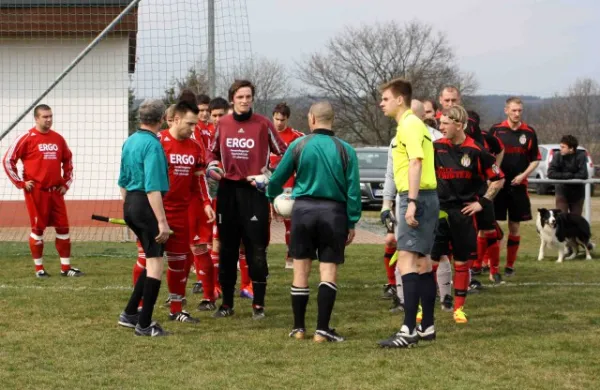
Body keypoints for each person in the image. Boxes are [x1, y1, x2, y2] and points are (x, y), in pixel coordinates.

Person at [266, 101, 361, 342]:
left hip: (303, 211)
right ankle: (322, 330)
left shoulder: (299, 144)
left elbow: (277, 178)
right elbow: (353, 191)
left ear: (311, 119)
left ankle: (299, 328)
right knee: (327, 270)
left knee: (300, 269)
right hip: (333, 213)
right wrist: (351, 221)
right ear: (333, 119)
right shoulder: (346, 149)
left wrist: (272, 198)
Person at [207, 79, 287, 320]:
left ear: (253, 98)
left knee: (256, 249)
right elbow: (211, 153)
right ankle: (227, 304)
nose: (244, 101)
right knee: (227, 250)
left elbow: (284, 153)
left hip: (254, 193)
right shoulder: (222, 123)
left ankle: (259, 304)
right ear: (232, 99)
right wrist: (213, 167)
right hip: (228, 192)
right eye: (240, 97)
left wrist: (269, 176)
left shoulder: (263, 124)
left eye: (248, 97)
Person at [377, 78, 439, 349]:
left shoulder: (409, 125)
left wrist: (411, 201)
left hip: (416, 197)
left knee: (406, 262)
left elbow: (416, 162)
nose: (382, 103)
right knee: (423, 263)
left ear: (399, 99)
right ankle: (427, 327)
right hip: (426, 196)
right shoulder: (417, 125)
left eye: (385, 98)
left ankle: (408, 329)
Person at [432, 105, 505, 323]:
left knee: (462, 262)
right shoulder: (435, 148)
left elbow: (498, 178)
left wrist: (482, 202)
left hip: (463, 213)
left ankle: (459, 309)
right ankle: (422, 307)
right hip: (439, 212)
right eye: (440, 122)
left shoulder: (476, 151)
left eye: (445, 123)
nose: (440, 127)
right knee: (430, 261)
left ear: (459, 125)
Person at [3, 104, 82, 278]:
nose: (49, 120)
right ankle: (39, 269)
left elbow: (68, 161)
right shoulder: (26, 138)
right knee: (38, 229)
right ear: (36, 118)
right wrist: (21, 183)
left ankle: (65, 268)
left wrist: (66, 183)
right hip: (36, 192)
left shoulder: (58, 139)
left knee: (63, 228)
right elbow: (8, 160)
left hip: (56, 192)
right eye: (45, 117)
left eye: (50, 116)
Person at [117, 99, 171, 337]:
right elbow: (153, 187)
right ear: (161, 119)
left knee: (149, 260)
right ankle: (145, 324)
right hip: (145, 204)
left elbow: (122, 181)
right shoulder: (153, 145)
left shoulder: (130, 141)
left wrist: (130, 209)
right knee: (156, 263)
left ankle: (130, 314)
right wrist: (161, 221)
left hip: (130, 203)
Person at [489, 97, 540, 276]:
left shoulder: (529, 132)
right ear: (506, 110)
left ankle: (510, 265)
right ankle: (488, 263)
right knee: (489, 225)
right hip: (498, 186)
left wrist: (523, 175)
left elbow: (535, 160)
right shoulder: (496, 130)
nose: (517, 114)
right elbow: (488, 156)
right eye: (514, 110)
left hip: (518, 187)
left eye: (519, 110)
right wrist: (495, 177)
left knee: (515, 226)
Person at [196, 96, 231, 311]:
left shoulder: (233, 132)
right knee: (211, 240)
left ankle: (247, 285)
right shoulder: (200, 133)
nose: (216, 118)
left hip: (233, 194)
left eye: (220, 114)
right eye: (213, 114)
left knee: (234, 241)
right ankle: (214, 287)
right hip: (212, 194)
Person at [269, 102, 305, 269]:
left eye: (282, 120)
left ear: (287, 119)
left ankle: (290, 255)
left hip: (290, 185)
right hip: (269, 183)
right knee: (262, 221)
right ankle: (259, 255)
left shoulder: (297, 137)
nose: (279, 123)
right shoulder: (265, 134)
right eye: (276, 119)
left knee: (291, 222)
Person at [548, 135, 588, 216]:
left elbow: (583, 174)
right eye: (560, 146)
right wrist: (566, 175)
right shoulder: (557, 155)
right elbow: (551, 173)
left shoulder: (581, 155)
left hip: (578, 193)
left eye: (563, 147)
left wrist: (570, 176)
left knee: (575, 220)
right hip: (562, 191)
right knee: (562, 218)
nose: (560, 149)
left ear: (571, 148)